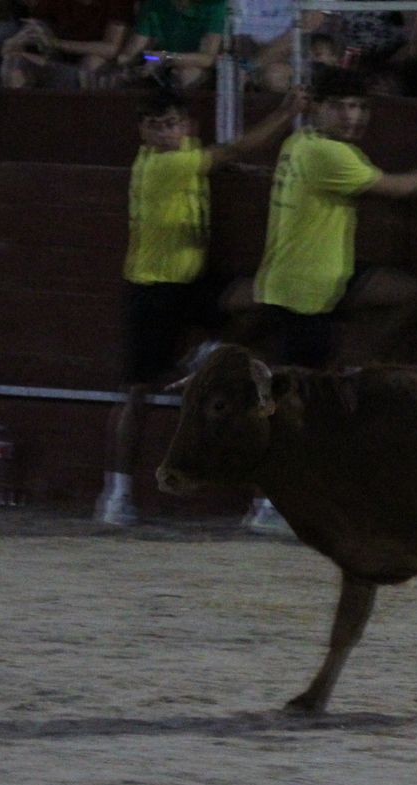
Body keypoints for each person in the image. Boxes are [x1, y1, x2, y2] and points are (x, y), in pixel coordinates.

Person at [94, 86, 306, 528]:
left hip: (191, 281)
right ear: (143, 131)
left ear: (186, 125)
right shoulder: (164, 165)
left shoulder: (185, 150)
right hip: (152, 289)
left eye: (173, 123)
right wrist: (287, 112)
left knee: (269, 296)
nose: (167, 132)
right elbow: (236, 149)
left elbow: (226, 157)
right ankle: (116, 493)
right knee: (137, 392)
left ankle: (213, 348)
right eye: (156, 125)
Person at [251, 64, 417, 372]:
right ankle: (357, 368)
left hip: (306, 277)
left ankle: (359, 366)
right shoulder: (330, 153)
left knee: (408, 293)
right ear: (317, 107)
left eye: (360, 107)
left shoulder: (300, 141)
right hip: (307, 289)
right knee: (303, 388)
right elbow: (396, 187)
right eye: (340, 106)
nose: (352, 116)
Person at [0, 0, 132, 89]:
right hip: (56, 58)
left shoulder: (118, 3)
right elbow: (35, 24)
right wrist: (15, 42)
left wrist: (56, 43)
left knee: (92, 63)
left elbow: (111, 48)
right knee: (15, 61)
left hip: (95, 65)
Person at [111, 0, 226, 90]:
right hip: (158, 62)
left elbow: (208, 59)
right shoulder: (154, 4)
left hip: (196, 67)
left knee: (185, 75)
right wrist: (135, 63)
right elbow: (133, 53)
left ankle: (180, 118)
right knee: (106, 70)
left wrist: (167, 57)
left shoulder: (214, 5)